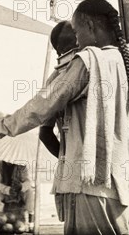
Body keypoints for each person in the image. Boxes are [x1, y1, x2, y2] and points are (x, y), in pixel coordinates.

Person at [0, 0, 129, 235]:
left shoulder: (87, 62)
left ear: (90, 26)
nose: (77, 40)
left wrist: (2, 125)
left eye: (77, 32)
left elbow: (40, 107)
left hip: (95, 190)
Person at [38, 21, 78, 158]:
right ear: (60, 50)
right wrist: (66, 160)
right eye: (72, 43)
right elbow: (45, 133)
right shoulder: (53, 82)